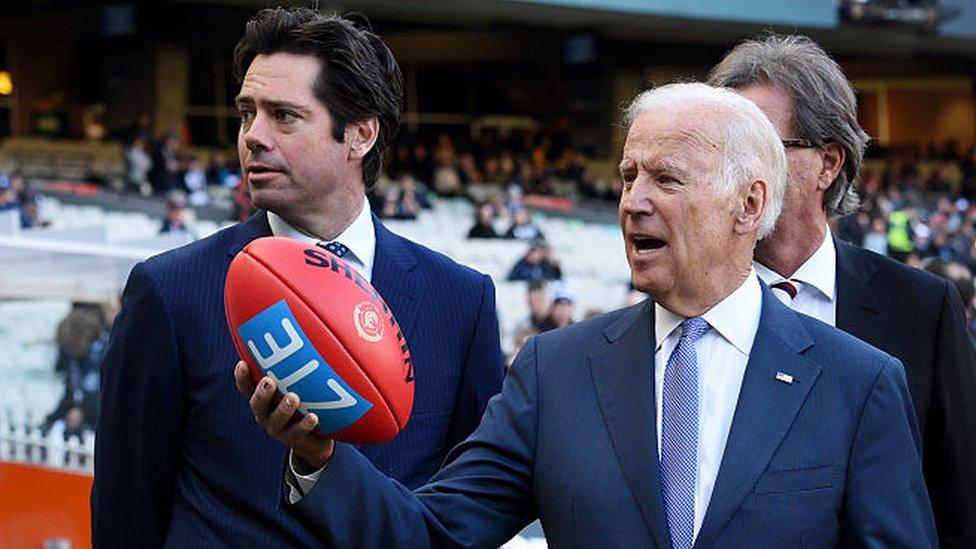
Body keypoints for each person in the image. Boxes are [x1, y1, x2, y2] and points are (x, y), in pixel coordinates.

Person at [239, 83, 936, 547]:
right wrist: (318, 457)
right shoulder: (555, 370)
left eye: (666, 179)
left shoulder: (858, 383)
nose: (633, 202)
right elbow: (432, 532)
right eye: (628, 177)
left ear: (750, 206)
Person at [92, 8, 504, 548]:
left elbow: (471, 516)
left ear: (359, 134)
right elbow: (127, 514)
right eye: (246, 114)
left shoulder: (461, 300)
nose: (253, 137)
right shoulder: (170, 291)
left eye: (284, 116)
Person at [710, 34, 976, 548]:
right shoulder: (689, 308)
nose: (730, 170)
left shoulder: (922, 309)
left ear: (828, 164)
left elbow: (960, 501)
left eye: (757, 146)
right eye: (722, 149)